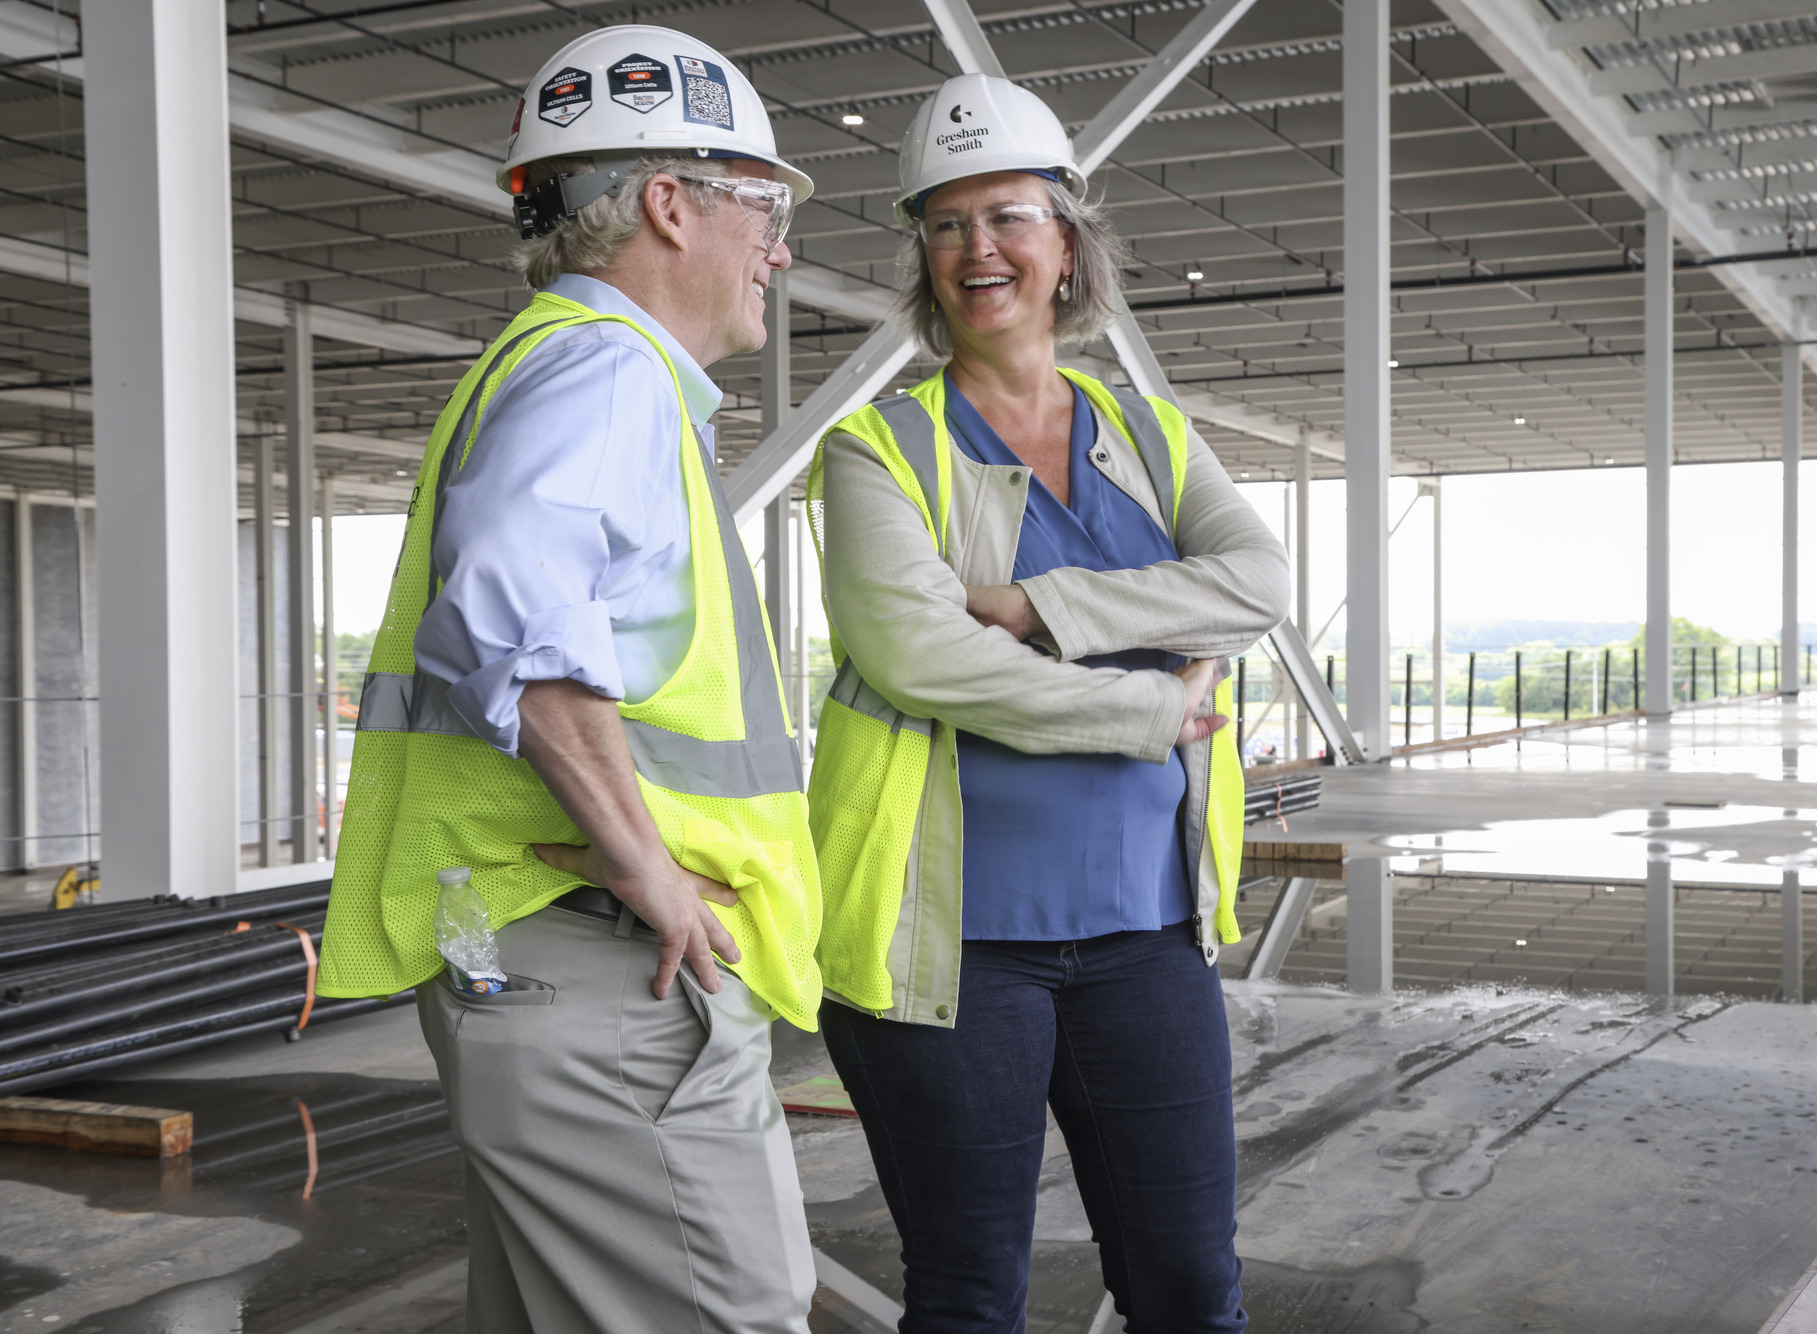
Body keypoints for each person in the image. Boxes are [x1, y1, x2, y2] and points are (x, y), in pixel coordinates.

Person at [316, 26, 821, 1334]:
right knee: (724, 1309)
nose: (779, 250)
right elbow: (512, 614)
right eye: (767, 210)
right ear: (671, 201)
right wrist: (649, 864)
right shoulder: (606, 371)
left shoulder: (548, 364)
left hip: (509, 944)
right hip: (599, 959)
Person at [806, 73, 1290, 1333]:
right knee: (970, 1295)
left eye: (1008, 216)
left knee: (1191, 1282)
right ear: (922, 254)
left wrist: (1036, 607)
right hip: (949, 950)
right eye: (946, 223)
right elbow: (920, 658)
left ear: (1066, 241)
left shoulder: (1153, 434)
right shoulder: (876, 451)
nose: (979, 250)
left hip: (1144, 935)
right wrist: (1146, 711)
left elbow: (1257, 584)